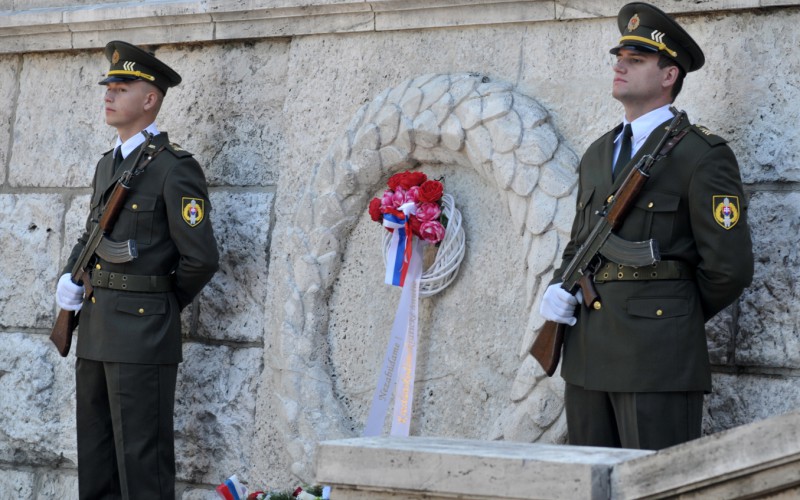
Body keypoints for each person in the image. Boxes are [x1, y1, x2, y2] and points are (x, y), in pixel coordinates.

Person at [539, 3, 753, 450]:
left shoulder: (702, 155)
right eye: (620, 57)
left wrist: (667, 318)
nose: (620, 65)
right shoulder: (598, 154)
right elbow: (581, 242)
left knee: (656, 484)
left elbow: (729, 268)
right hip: (587, 355)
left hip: (657, 358)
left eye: (635, 60)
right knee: (589, 484)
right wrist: (560, 287)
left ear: (668, 75)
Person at [55, 40, 219, 498]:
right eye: (108, 86)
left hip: (142, 335)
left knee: (141, 466)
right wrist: (70, 278)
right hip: (96, 326)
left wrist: (157, 301)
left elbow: (201, 258)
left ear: (149, 100)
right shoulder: (109, 164)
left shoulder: (174, 169)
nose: (108, 94)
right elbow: (93, 233)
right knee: (97, 462)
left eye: (121, 87)